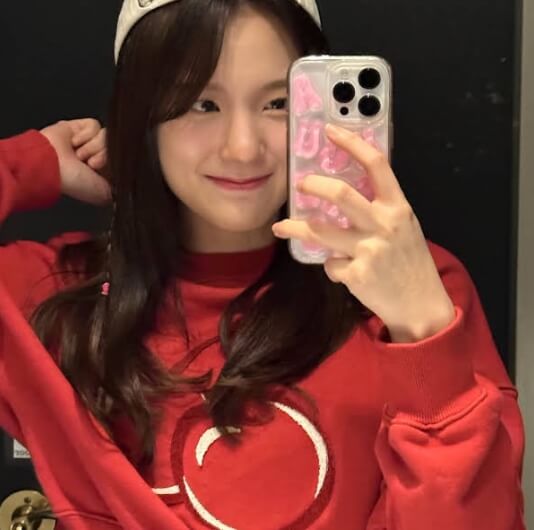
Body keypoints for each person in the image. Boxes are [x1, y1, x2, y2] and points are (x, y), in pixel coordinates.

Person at [0, 0, 525, 529]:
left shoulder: (413, 295)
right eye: (202, 104)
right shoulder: (52, 296)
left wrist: (425, 338)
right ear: (143, 119)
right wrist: (30, 163)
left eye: (278, 102)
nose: (243, 148)